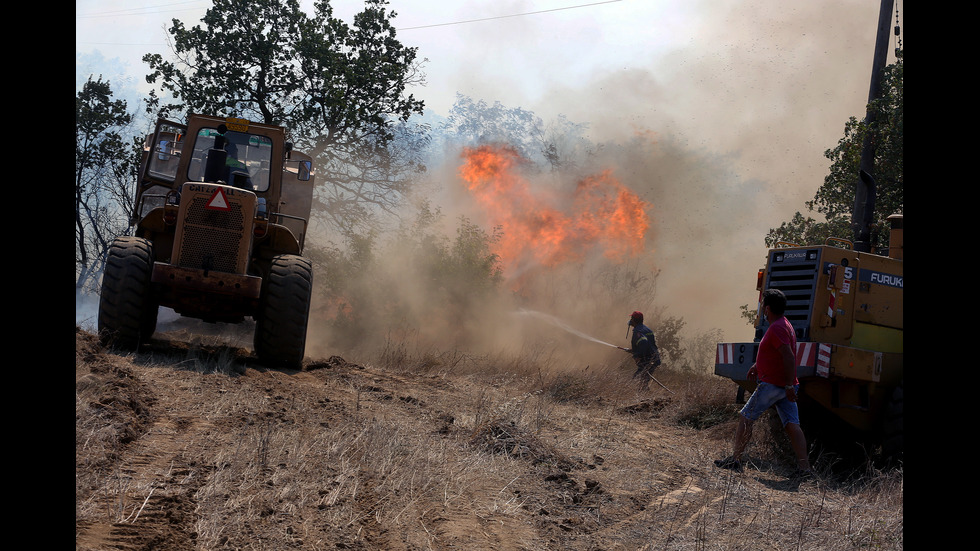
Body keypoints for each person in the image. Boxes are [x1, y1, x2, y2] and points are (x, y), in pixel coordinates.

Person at [714, 289, 814, 478]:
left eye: (763, 307)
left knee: (746, 418)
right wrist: (757, 365)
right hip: (783, 385)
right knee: (792, 425)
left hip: (774, 386)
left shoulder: (776, 328)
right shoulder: (784, 324)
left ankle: (735, 460)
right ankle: (805, 469)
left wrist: (788, 385)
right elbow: (775, 353)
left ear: (767, 308)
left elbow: (789, 356)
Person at [625, 311, 661, 390]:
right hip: (654, 358)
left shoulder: (638, 331)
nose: (630, 320)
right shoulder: (647, 329)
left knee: (637, 379)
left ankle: (643, 395)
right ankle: (644, 393)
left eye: (631, 318)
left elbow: (644, 342)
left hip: (647, 359)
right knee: (643, 379)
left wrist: (638, 356)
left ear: (634, 320)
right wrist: (633, 350)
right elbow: (649, 345)